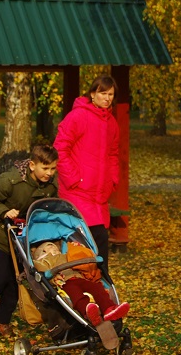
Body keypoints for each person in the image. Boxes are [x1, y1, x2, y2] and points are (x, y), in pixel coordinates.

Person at [0, 144, 59, 338]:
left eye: (53, 168)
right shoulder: (11, 181)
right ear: (32, 165)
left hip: (22, 240)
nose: (49, 173)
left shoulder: (50, 187)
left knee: (16, 281)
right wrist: (3, 211)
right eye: (45, 168)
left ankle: (2, 321)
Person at [53, 75, 120, 279]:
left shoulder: (111, 123)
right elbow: (60, 148)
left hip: (99, 197)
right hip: (77, 193)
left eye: (110, 94)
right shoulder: (78, 116)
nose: (107, 98)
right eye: (102, 93)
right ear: (92, 94)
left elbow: (113, 154)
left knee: (100, 250)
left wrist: (112, 181)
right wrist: (74, 179)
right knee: (82, 251)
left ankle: (102, 292)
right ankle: (82, 290)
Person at [30, 240, 130, 326]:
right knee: (75, 294)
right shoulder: (44, 261)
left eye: (56, 248)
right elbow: (43, 274)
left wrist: (79, 248)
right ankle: (87, 311)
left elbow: (77, 257)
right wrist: (53, 279)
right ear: (43, 251)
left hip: (80, 278)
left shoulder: (66, 256)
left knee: (96, 287)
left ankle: (109, 308)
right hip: (66, 282)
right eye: (51, 247)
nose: (55, 249)